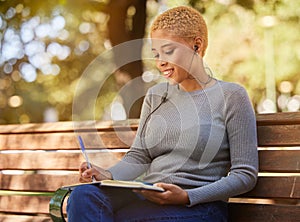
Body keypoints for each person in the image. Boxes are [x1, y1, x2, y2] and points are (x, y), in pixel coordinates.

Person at [67, 5, 258, 222]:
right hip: (150, 197)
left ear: (197, 45)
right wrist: (108, 175)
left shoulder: (231, 95)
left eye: (168, 51)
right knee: (83, 196)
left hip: (200, 207)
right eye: (156, 54)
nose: (160, 62)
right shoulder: (156, 95)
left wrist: (186, 196)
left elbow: (245, 174)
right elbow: (140, 155)